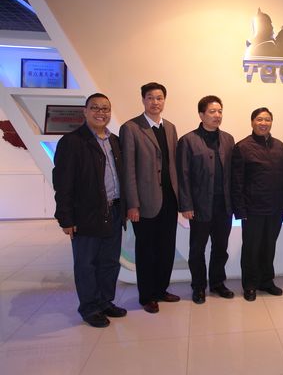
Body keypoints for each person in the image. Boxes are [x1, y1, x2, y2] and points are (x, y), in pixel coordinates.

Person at [53, 93, 127, 327]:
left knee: (110, 261)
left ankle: (105, 301)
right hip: (86, 213)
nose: (100, 113)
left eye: (105, 108)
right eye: (95, 108)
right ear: (85, 112)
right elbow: (62, 183)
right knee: (86, 264)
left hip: (114, 211)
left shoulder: (115, 141)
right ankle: (89, 308)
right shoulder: (72, 142)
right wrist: (66, 218)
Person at [120, 82, 180, 314]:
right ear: (143, 100)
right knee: (147, 250)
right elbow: (128, 170)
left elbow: (173, 165)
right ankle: (147, 296)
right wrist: (132, 204)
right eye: (150, 98)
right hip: (145, 202)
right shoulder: (131, 128)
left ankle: (161, 289)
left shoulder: (170, 127)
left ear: (164, 100)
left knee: (166, 248)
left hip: (169, 199)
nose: (155, 102)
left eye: (159, 98)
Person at [177, 95, 235, 304]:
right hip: (199, 205)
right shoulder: (188, 140)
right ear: (201, 115)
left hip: (224, 206)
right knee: (197, 249)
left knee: (220, 248)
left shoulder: (228, 139)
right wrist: (186, 205)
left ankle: (218, 283)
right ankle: (199, 286)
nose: (217, 115)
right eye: (212, 111)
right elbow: (182, 175)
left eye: (219, 111)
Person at [232, 107, 283, 301]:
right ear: (252, 122)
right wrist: (240, 210)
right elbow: (237, 181)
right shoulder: (242, 147)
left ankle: (266, 281)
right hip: (252, 208)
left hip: (275, 207)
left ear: (271, 122)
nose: (263, 123)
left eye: (267, 119)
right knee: (251, 248)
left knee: (269, 246)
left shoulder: (279, 146)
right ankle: (250, 284)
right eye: (259, 119)